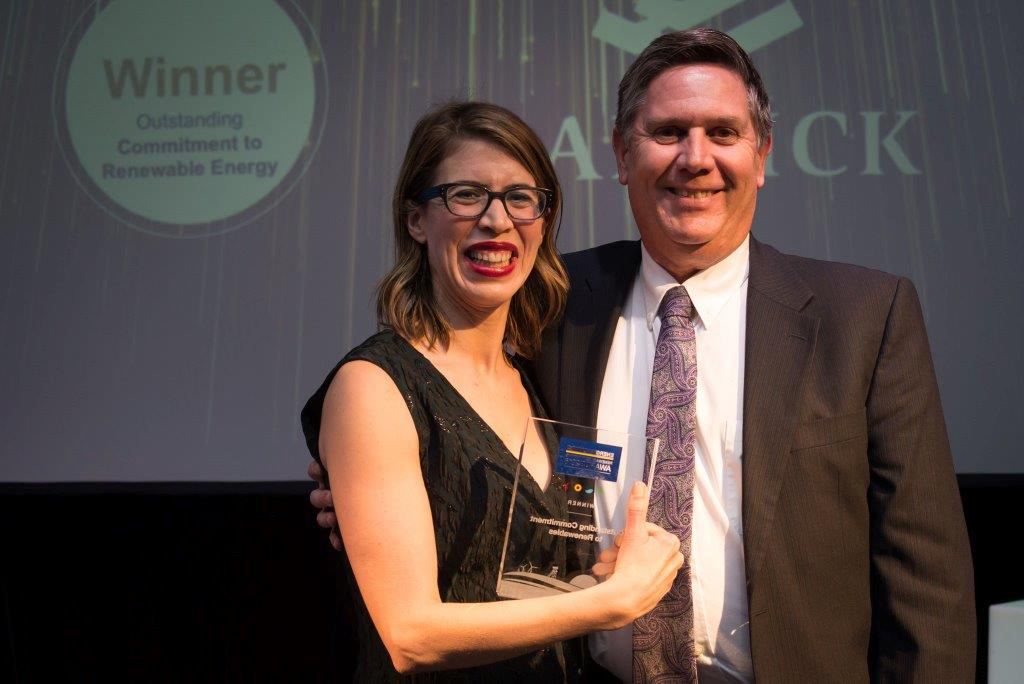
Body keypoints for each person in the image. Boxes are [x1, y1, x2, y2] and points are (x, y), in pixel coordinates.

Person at [311, 30, 976, 682]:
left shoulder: (861, 315)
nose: (695, 158)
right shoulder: (555, 306)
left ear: (763, 154)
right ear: (622, 156)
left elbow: (926, 578)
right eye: (667, 133)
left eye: (723, 133)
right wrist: (369, 484)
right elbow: (436, 412)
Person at [300, 101, 683, 682]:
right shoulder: (373, 386)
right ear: (415, 220)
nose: (497, 220)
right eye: (466, 195)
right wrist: (610, 603)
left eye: (520, 198)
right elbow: (408, 635)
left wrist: (590, 578)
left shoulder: (536, 381)